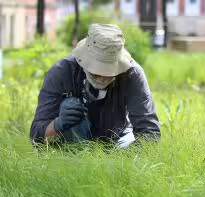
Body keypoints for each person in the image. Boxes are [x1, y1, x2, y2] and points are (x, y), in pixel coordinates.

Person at [30, 24, 160, 148]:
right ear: (84, 62)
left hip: (119, 139)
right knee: (69, 104)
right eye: (96, 72)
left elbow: (149, 134)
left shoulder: (133, 74)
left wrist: (125, 162)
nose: (102, 78)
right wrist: (58, 125)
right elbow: (36, 136)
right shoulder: (62, 72)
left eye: (109, 72)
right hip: (70, 144)